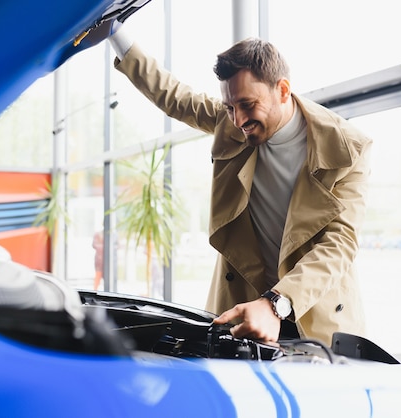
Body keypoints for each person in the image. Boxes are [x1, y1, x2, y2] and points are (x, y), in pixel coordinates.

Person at [96, 23, 371, 346]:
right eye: (230, 107)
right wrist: (114, 32)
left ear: (283, 90)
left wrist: (277, 302)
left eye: (247, 105)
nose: (239, 120)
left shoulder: (348, 147)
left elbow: (339, 244)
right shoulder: (231, 122)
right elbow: (172, 95)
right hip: (244, 307)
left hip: (315, 312)